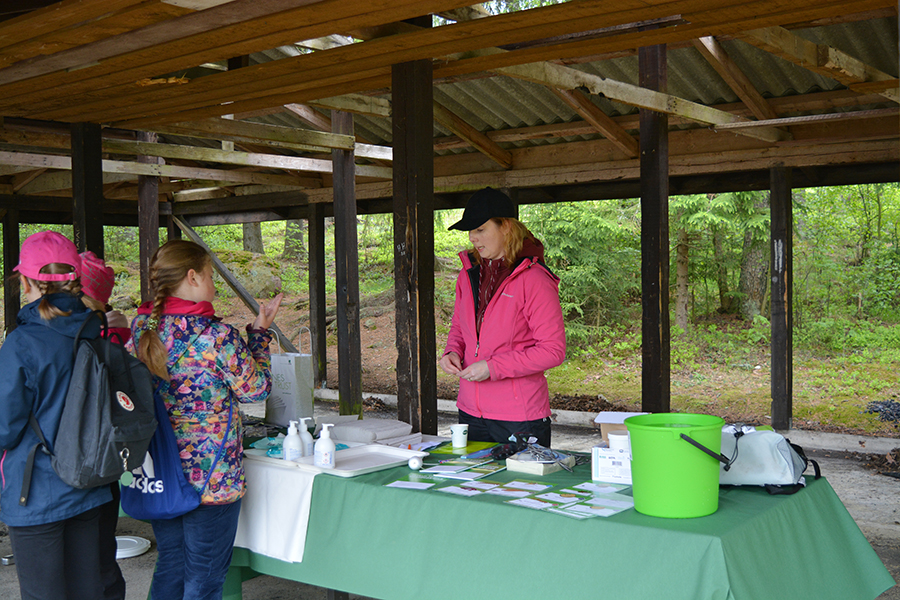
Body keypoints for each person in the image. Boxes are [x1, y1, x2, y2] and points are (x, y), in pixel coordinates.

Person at [131, 239, 281, 600]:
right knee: (205, 579)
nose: (214, 284)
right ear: (193, 276)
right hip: (212, 480)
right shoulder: (217, 336)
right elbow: (256, 390)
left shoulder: (142, 329)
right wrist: (259, 336)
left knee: (170, 563)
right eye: (212, 275)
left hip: (161, 472)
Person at [0, 231, 110, 599]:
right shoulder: (96, 331)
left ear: (26, 280)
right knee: (88, 590)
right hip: (90, 481)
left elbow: (5, 426)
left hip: (36, 490)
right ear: (75, 278)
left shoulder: (22, 343)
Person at [438, 187, 566, 448]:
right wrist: (452, 352)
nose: (473, 238)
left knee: (522, 490)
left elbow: (553, 351)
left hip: (520, 418)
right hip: (470, 414)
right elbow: (460, 329)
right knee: (472, 489)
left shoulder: (534, 279)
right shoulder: (467, 275)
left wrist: (492, 367)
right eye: (470, 231)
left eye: (480, 229)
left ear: (506, 227)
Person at [79, 249, 128, 600]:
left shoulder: (86, 334)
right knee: (101, 559)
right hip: (105, 461)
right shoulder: (113, 330)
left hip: (80, 460)